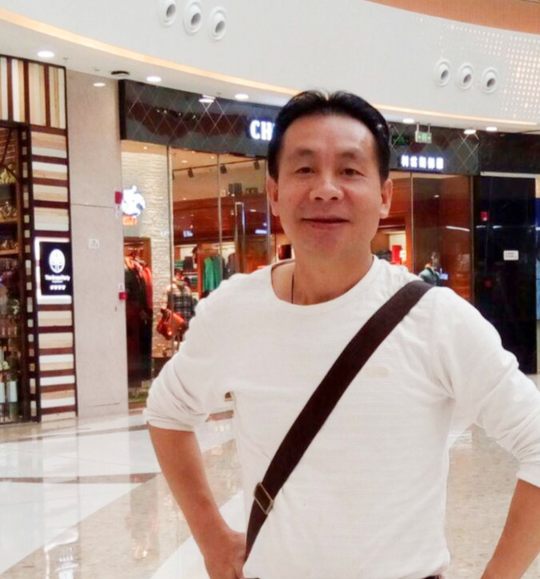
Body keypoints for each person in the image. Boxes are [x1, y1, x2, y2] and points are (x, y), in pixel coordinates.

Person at [146, 91, 540, 579]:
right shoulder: (235, 310)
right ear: (274, 193)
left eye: (350, 170)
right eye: (304, 169)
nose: (326, 189)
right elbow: (167, 412)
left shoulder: (436, 320)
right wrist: (211, 538)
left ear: (384, 195)